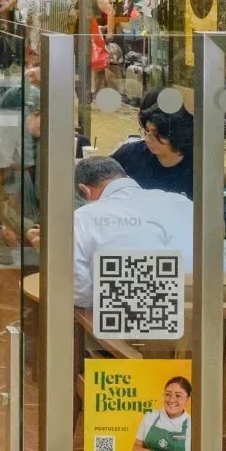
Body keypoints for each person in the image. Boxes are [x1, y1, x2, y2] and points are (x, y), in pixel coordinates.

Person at [69, 156, 196, 307]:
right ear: (126, 177)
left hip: (135, 320)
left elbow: (81, 294)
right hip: (208, 315)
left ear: (85, 190)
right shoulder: (183, 202)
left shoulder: (83, 217)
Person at [111, 103, 194, 196]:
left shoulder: (197, 168)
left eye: (157, 135)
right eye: (147, 131)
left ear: (177, 135)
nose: (148, 139)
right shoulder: (130, 153)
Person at [131, 376, 193, 451]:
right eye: (168, 394)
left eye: (178, 395)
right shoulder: (150, 416)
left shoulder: (193, 426)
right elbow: (136, 446)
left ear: (188, 399)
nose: (171, 399)